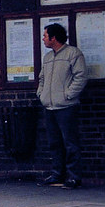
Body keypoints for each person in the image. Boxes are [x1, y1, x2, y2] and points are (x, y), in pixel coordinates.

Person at [36, 23, 88, 188]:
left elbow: (81, 76)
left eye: (45, 36)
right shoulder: (47, 57)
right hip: (49, 107)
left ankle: (73, 176)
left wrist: (68, 95)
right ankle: (57, 174)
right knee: (54, 143)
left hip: (67, 107)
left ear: (54, 38)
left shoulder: (73, 54)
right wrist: (41, 94)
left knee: (70, 142)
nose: (43, 39)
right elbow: (42, 78)